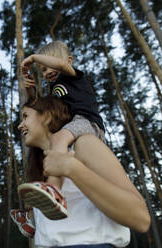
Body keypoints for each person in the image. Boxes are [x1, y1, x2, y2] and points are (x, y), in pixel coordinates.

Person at [12, 96, 150, 247]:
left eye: (25, 116)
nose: (20, 125)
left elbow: (140, 218)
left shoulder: (84, 145)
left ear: (47, 116)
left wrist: (71, 168)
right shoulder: (45, 170)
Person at [19, 41, 105, 218]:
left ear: (69, 60)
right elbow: (41, 109)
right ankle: (33, 217)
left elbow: (61, 65)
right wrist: (30, 90)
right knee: (50, 151)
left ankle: (54, 189)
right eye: (42, 70)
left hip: (87, 121)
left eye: (50, 65)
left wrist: (34, 57)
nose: (48, 71)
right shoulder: (53, 88)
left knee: (58, 139)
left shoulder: (73, 77)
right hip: (73, 127)